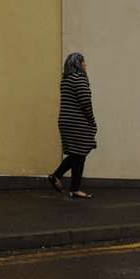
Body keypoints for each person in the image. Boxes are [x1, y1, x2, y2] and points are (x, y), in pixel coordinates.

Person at [49, 52, 98, 199]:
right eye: (83, 62)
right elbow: (85, 103)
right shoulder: (79, 79)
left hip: (66, 121)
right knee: (80, 153)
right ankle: (68, 183)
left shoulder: (66, 80)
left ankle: (65, 182)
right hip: (78, 121)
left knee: (77, 154)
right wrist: (92, 121)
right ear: (77, 63)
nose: (85, 64)